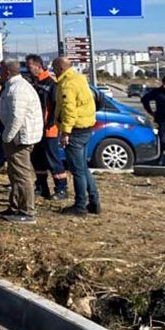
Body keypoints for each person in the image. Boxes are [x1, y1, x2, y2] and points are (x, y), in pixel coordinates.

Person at [0, 58, 43, 223]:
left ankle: (27, 211)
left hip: (20, 138)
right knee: (14, 173)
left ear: (8, 72)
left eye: (1, 70)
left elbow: (17, 117)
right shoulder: (13, 86)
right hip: (16, 137)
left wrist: (7, 137)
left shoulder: (18, 89)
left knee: (22, 175)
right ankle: (15, 206)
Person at [53, 56, 100, 216]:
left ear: (60, 68)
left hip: (75, 131)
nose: (53, 70)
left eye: (54, 67)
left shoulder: (67, 84)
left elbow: (69, 110)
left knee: (77, 170)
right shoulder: (80, 78)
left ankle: (80, 206)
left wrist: (65, 132)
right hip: (86, 127)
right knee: (83, 168)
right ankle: (94, 201)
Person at [25, 54, 68, 200]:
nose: (28, 69)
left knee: (52, 159)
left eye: (30, 66)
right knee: (37, 159)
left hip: (49, 129)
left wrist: (52, 123)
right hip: (36, 128)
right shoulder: (33, 83)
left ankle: (61, 188)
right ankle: (41, 186)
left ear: (38, 66)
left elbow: (56, 107)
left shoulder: (51, 83)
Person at [141, 76, 165, 158]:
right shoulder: (158, 92)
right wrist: (150, 112)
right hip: (163, 119)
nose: (164, 86)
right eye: (163, 84)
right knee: (163, 141)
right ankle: (160, 156)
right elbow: (144, 99)